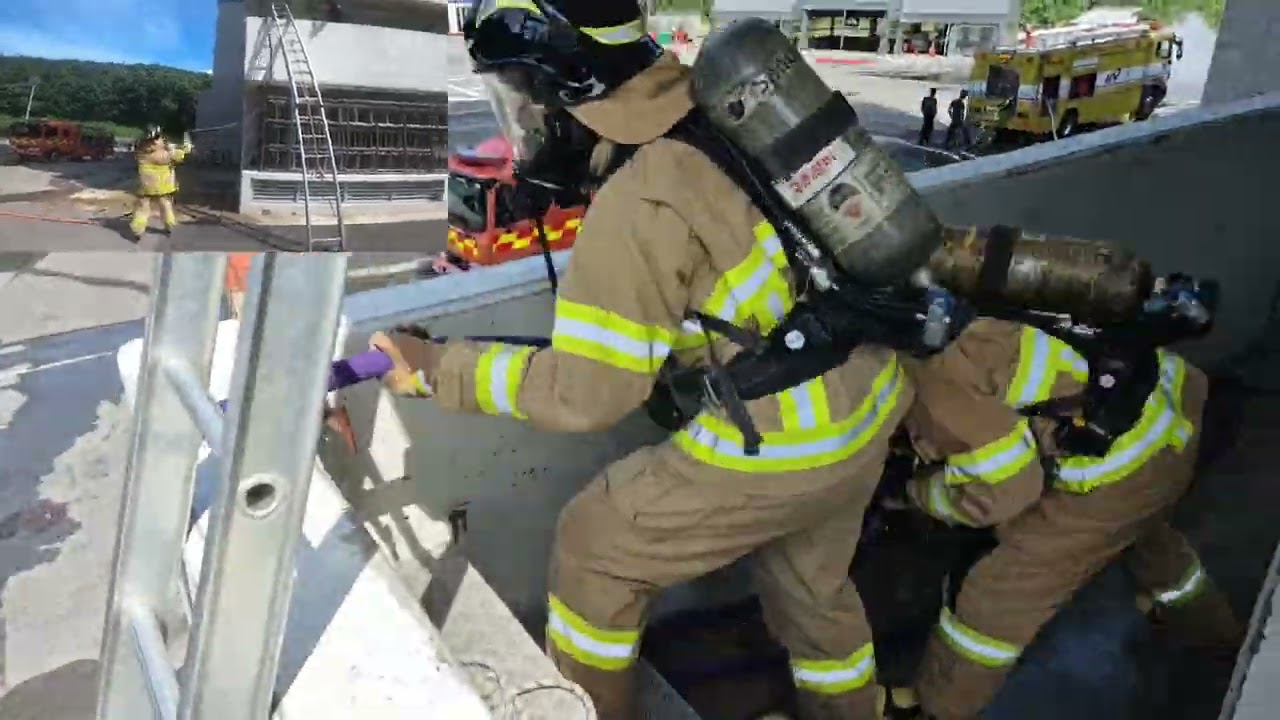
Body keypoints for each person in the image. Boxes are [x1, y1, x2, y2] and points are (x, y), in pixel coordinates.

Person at [370, 1, 914, 718]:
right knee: (813, 592)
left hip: (791, 441)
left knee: (595, 549)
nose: (525, 123)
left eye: (521, 96)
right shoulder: (723, 112)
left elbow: (589, 395)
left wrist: (436, 369)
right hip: (872, 401)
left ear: (568, 85)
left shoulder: (639, 197)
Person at [884, 317, 1243, 720]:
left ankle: (937, 708)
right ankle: (1213, 633)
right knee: (1142, 535)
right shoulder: (960, 301)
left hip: (1118, 479)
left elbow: (1005, 493)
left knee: (992, 600)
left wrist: (915, 492)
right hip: (1170, 414)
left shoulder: (934, 382)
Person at [129, 125, 191, 241]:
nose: (163, 139)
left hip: (146, 184)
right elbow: (180, 154)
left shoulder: (141, 151)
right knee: (166, 205)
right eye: (160, 138)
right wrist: (185, 145)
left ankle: (137, 229)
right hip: (164, 185)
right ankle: (169, 226)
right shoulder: (164, 154)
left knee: (143, 207)